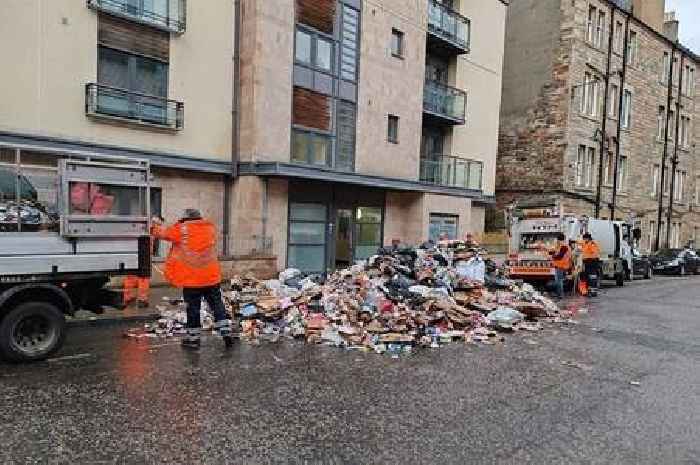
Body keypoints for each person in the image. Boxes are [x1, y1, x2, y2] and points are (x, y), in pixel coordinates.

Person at [151, 209, 233, 349]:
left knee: (193, 308)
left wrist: (152, 226)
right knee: (217, 304)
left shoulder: (182, 229)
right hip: (211, 277)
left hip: (192, 279)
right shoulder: (210, 228)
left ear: (185, 219)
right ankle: (226, 332)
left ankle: (193, 339)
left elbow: (163, 233)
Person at [548, 233, 571, 299]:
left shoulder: (564, 246)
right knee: (558, 280)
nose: (557, 241)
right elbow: (555, 252)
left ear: (559, 239)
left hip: (561, 266)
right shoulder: (560, 246)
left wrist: (552, 257)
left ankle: (560, 295)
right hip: (559, 266)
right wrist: (550, 251)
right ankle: (559, 294)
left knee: (559, 281)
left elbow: (559, 256)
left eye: (557, 240)